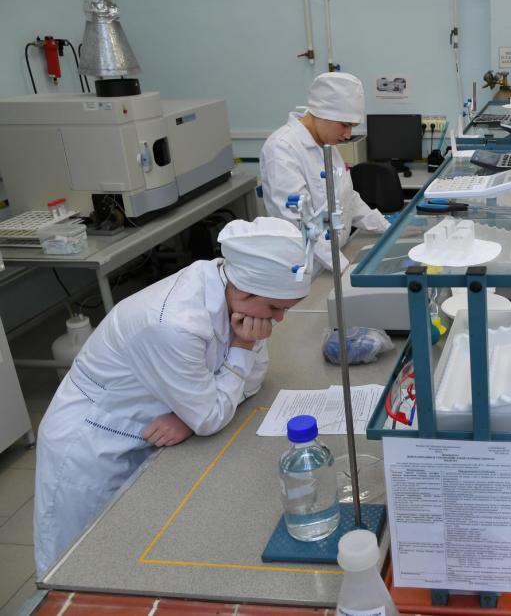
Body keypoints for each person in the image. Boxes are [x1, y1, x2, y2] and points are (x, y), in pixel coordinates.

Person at [33, 217, 311, 577]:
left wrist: (193, 414)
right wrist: (239, 351)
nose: (280, 320)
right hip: (91, 445)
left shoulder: (231, 295)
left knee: (128, 559)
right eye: (275, 309)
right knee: (76, 567)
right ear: (244, 290)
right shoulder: (174, 323)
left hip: (149, 430)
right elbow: (212, 416)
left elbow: (253, 380)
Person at [260, 72, 391, 272]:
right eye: (345, 125)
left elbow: (347, 198)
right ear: (321, 113)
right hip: (306, 267)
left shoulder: (326, 144)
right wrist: (343, 268)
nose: (347, 134)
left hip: (334, 259)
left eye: (352, 126)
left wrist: (387, 228)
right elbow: (300, 222)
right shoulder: (282, 149)